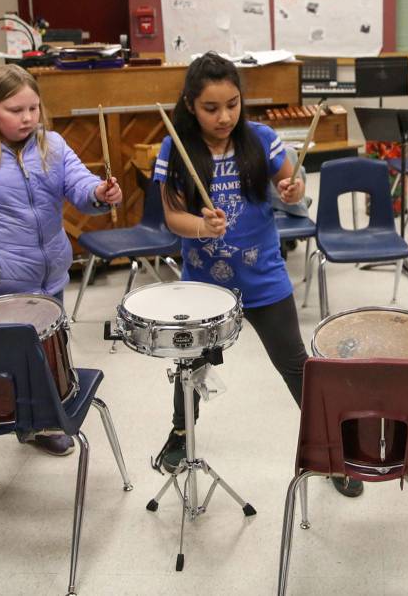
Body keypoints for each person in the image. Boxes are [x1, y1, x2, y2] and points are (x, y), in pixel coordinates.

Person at [152, 52, 361, 497]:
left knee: (295, 365)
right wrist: (200, 226)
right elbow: (172, 217)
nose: (224, 116)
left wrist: (293, 187)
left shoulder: (262, 139)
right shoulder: (175, 147)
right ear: (190, 104)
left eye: (232, 104)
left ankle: (329, 448)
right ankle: (181, 434)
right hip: (205, 283)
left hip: (263, 275)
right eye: (211, 108)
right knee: (191, 366)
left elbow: (292, 184)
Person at [0, 64, 121, 483]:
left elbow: (80, 187)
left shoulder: (54, 145)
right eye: (15, 109)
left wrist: (99, 194)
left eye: (33, 107)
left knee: (44, 359)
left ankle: (37, 423)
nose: (28, 118)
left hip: (47, 282)